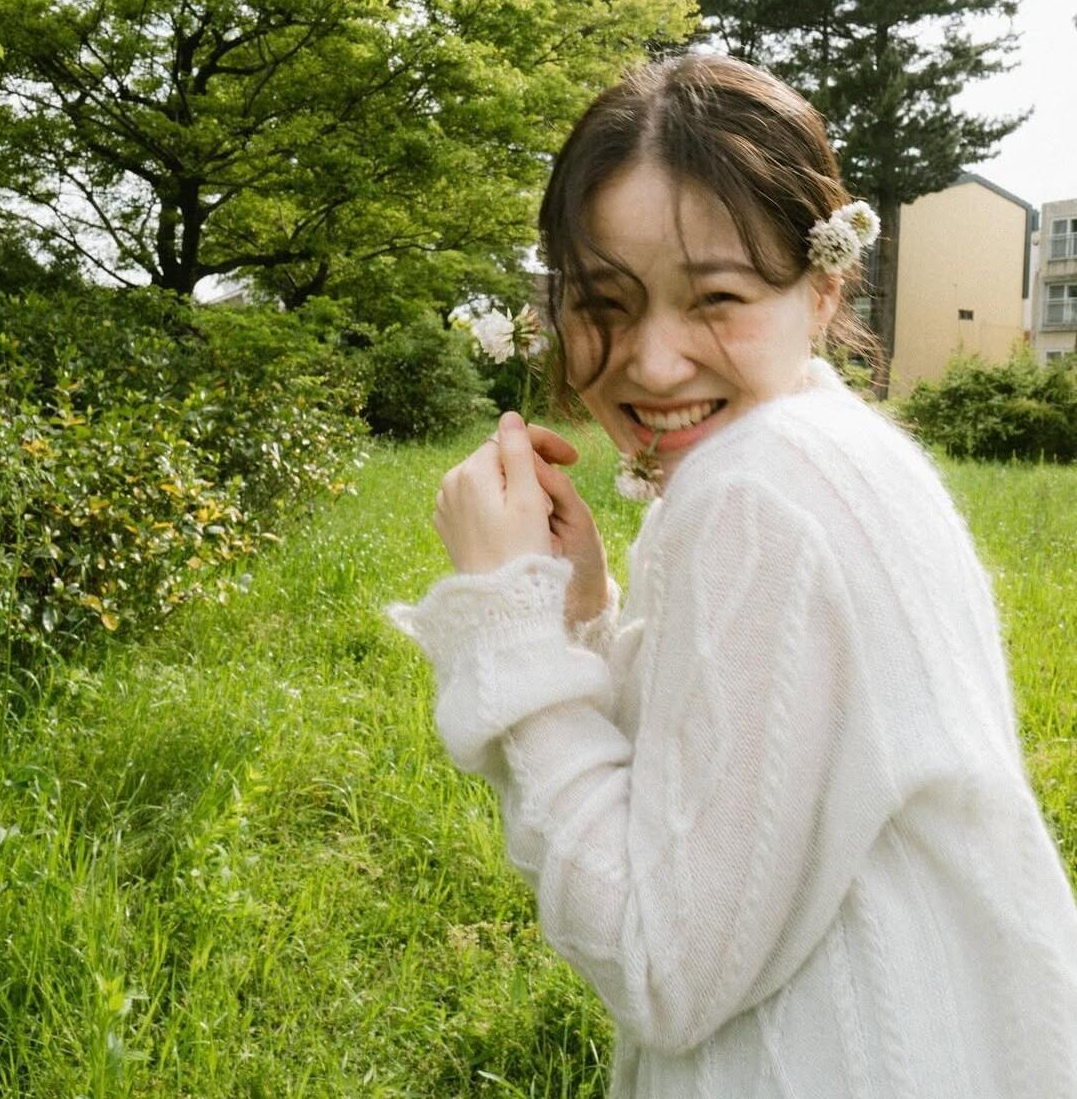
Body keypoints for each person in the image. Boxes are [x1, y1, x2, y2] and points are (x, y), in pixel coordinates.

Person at [386, 54, 1077, 1097]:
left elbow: (659, 967)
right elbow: (726, 783)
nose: (654, 362)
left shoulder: (761, 486)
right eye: (606, 304)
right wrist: (583, 610)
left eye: (716, 296)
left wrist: (508, 626)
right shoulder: (828, 452)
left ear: (823, 287)